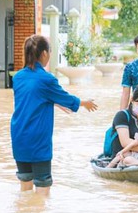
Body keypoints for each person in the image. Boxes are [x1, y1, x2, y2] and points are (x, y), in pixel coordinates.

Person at [11, 35, 98, 195]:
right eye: (50, 51)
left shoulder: (18, 78)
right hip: (38, 139)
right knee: (43, 189)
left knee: (25, 187)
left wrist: (54, 102)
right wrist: (84, 103)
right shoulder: (47, 79)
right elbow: (66, 98)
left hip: (19, 136)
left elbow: (32, 96)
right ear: (44, 54)